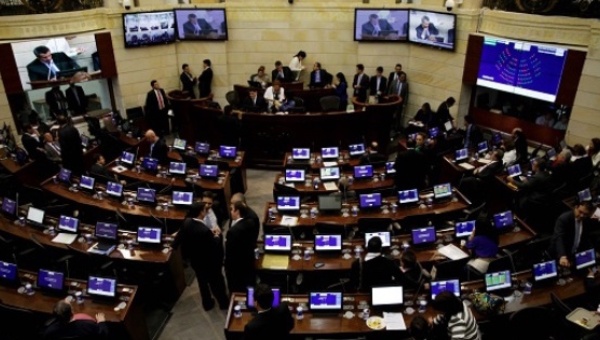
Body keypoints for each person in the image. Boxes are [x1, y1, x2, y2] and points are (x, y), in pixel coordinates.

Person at [173, 202, 229, 310]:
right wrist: (217, 235)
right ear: (201, 212)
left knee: (202, 282)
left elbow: (179, 235)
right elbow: (214, 245)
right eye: (204, 210)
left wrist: (172, 246)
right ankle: (223, 303)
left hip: (195, 260)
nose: (206, 211)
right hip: (209, 262)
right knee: (216, 283)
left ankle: (207, 304)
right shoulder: (203, 230)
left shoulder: (187, 221)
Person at [548, 201, 594, 268]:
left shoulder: (586, 220)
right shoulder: (564, 219)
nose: (582, 216)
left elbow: (585, 238)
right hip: (559, 254)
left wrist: (591, 252)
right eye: (580, 212)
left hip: (573, 254)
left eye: (585, 214)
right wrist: (562, 256)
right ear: (576, 207)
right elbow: (559, 238)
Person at [225, 201, 258, 294]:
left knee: (238, 289)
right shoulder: (250, 222)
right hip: (248, 260)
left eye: (232, 210)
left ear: (237, 211)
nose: (231, 212)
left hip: (237, 265)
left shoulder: (232, 231)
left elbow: (229, 253)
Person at [42, 299, 108, 339]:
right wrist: (101, 322)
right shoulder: (87, 325)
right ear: (72, 312)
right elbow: (103, 334)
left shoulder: (49, 331)